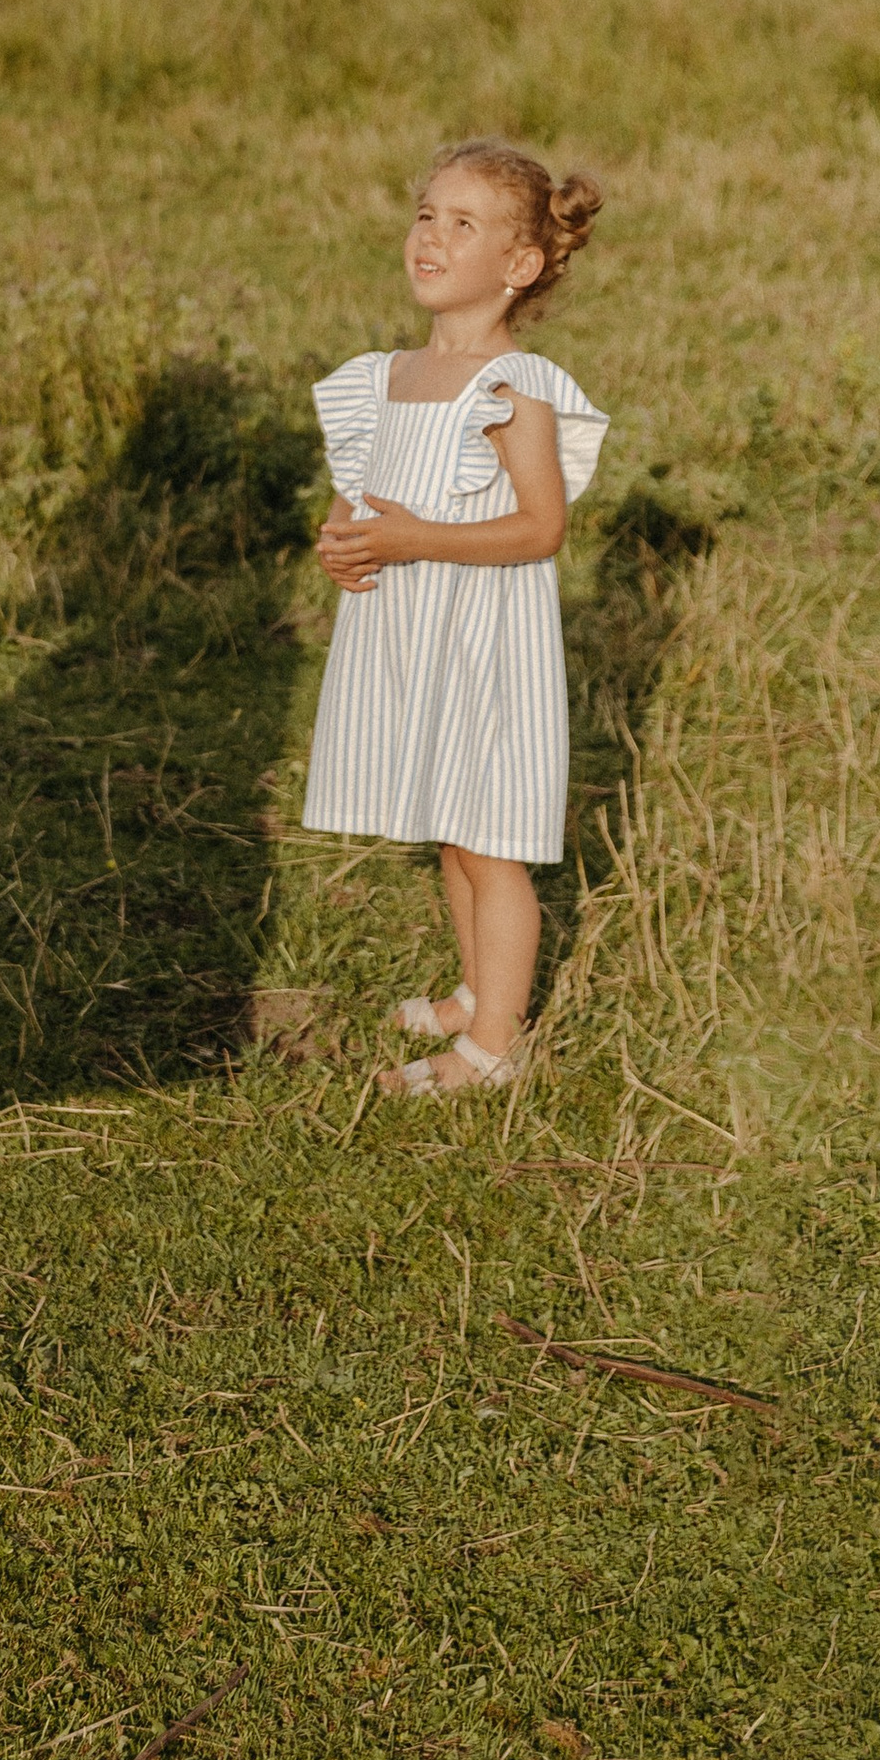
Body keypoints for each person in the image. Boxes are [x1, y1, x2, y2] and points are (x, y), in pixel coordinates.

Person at [303, 142, 609, 1097]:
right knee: (450, 824)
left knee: (491, 841)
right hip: (415, 632)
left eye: (462, 224)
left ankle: (495, 1049)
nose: (431, 236)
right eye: (427, 214)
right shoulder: (389, 375)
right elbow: (374, 502)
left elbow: (541, 528)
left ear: (518, 267)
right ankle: (477, 994)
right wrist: (349, 540)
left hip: (484, 641)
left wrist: (414, 540)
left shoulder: (512, 388)